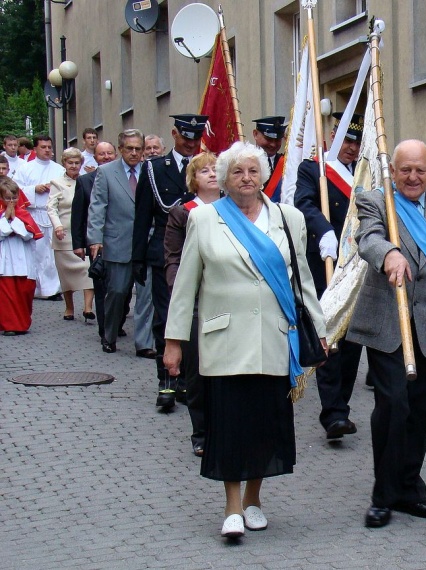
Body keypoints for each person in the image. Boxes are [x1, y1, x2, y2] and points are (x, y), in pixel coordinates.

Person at [163, 141, 327, 538]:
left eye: (253, 170)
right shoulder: (204, 219)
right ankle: (232, 507)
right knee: (230, 425)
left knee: (265, 426)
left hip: (275, 339)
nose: (246, 178)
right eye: (237, 172)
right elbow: (185, 284)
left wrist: (320, 331)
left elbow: (302, 280)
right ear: (224, 179)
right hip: (224, 340)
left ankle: (254, 500)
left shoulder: (288, 218)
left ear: (265, 175)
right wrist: (173, 341)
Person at [347, 139, 426, 528]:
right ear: (393, 170)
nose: (413, 177)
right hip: (388, 324)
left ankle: (408, 490)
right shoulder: (375, 200)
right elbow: (366, 238)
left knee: (418, 412)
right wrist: (388, 252)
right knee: (393, 406)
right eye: (405, 170)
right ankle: (382, 495)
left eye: (420, 169)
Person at [295, 112, 366, 440]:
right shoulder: (314, 169)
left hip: (359, 264)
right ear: (334, 137)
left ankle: (341, 404)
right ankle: (333, 413)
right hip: (325, 260)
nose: (352, 148)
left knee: (351, 342)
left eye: (356, 142)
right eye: (347, 140)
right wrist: (322, 230)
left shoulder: (366, 174)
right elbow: (303, 204)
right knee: (329, 335)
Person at [133, 114, 205, 409]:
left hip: (201, 250)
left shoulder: (207, 167)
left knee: (193, 319)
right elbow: (142, 216)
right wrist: (137, 257)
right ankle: (167, 382)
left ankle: (188, 381)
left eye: (195, 138)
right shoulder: (154, 168)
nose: (190, 144)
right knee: (165, 318)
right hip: (165, 251)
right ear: (174, 134)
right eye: (185, 137)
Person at [164, 152, 221, 457]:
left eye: (216, 169)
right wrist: (181, 291)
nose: (212, 174)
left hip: (227, 297)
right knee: (198, 372)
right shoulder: (182, 213)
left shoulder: (236, 209)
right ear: (193, 180)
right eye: (204, 171)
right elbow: (173, 258)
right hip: (197, 300)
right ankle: (201, 432)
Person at [87, 129, 145, 354]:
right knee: (118, 292)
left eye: (138, 149)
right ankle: (109, 335)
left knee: (146, 296)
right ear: (120, 149)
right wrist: (95, 239)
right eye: (129, 148)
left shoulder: (149, 171)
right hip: (117, 242)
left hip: (145, 243)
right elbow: (98, 206)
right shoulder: (106, 172)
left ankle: (145, 343)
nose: (134, 153)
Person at [71, 142, 116, 341]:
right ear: (95, 157)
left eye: (109, 153)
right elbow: (78, 215)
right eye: (101, 154)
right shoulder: (85, 181)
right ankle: (105, 328)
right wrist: (78, 243)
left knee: (119, 288)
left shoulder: (124, 179)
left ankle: (117, 321)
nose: (106, 157)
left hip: (121, 240)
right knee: (101, 286)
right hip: (97, 243)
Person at [12, 135, 65, 299]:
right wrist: (34, 189)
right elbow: (15, 189)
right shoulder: (25, 169)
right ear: (35, 149)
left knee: (52, 253)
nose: (47, 150)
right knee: (38, 252)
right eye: (43, 147)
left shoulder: (59, 169)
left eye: (49, 147)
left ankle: (53, 289)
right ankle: (37, 288)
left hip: (53, 214)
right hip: (34, 213)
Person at [46, 147, 94, 321]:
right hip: (64, 234)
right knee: (66, 274)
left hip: (83, 232)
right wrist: (57, 226)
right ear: (64, 163)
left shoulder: (87, 180)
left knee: (89, 270)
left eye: (77, 163)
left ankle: (88, 308)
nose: (74, 166)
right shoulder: (57, 182)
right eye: (70, 162)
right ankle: (69, 307)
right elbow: (51, 208)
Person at [0, 175, 42, 335]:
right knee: (7, 295)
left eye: (15, 198)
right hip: (5, 262)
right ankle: (10, 325)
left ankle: (22, 324)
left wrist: (14, 220)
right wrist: (6, 218)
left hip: (24, 260)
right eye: (8, 198)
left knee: (24, 293)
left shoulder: (24, 214)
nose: (12, 202)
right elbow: (2, 232)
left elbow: (27, 234)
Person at [252, 116, 286, 202]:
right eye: (268, 139)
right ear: (255, 134)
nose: (273, 144)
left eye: (277, 140)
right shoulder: (245, 161)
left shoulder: (287, 163)